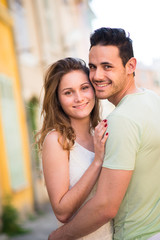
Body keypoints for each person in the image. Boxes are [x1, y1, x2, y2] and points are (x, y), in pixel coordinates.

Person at [48, 28, 160, 240]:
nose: (97, 76)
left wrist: (57, 237)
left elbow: (106, 206)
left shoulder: (121, 120)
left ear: (131, 66)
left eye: (107, 67)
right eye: (93, 67)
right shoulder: (153, 100)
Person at [36, 57, 113, 239]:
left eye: (84, 88)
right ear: (57, 99)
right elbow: (62, 212)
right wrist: (97, 162)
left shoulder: (101, 132)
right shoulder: (56, 140)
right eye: (68, 92)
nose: (79, 98)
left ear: (93, 90)